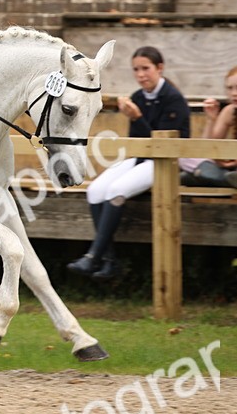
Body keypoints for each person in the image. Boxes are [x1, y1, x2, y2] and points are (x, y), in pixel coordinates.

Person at [67, 46, 190, 281]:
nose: (141, 74)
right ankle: (110, 261)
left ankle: (94, 256)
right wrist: (136, 119)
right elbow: (138, 141)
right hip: (141, 157)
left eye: (146, 68)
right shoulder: (138, 97)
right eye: (136, 70)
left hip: (167, 163)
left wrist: (137, 118)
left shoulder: (174, 100)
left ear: (159, 68)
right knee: (95, 191)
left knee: (116, 190)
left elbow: (164, 145)